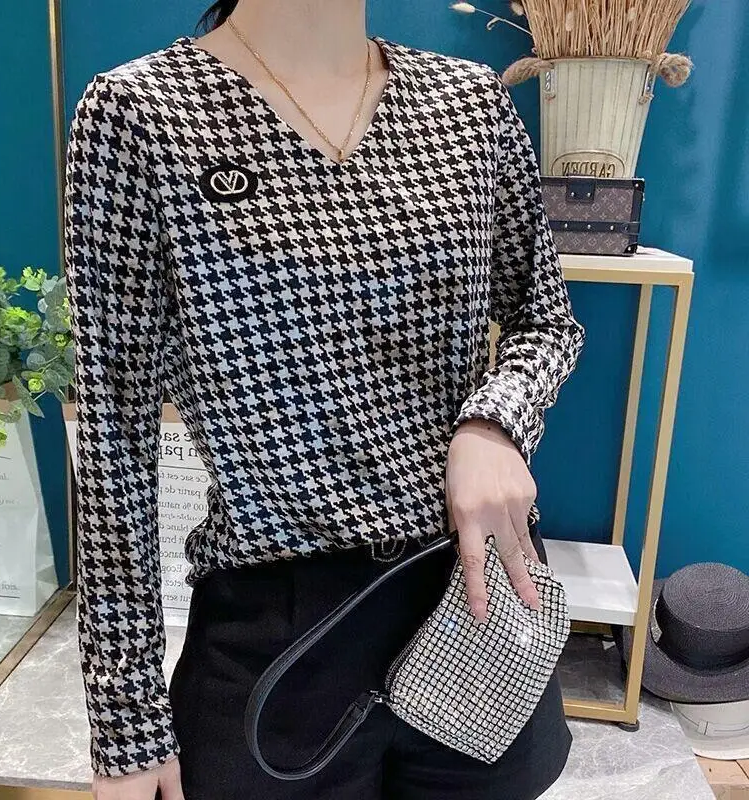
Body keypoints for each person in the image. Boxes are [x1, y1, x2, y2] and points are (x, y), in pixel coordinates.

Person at [63, 0, 587, 798]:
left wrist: (495, 424)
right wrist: (126, 722)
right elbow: (114, 434)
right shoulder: (141, 114)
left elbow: (544, 319)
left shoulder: (468, 102)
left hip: (475, 592)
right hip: (281, 625)